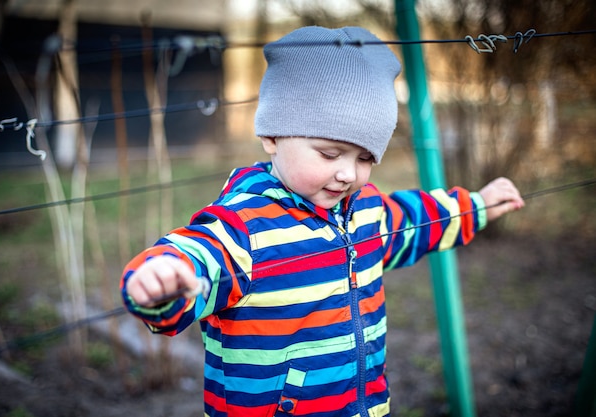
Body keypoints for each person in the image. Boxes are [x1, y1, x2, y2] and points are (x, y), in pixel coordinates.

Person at [121, 26, 524, 417]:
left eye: (365, 158)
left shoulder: (367, 210)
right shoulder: (246, 227)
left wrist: (476, 206)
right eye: (330, 154)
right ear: (272, 137)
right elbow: (200, 255)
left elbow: (417, 221)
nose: (349, 173)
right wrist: (165, 279)